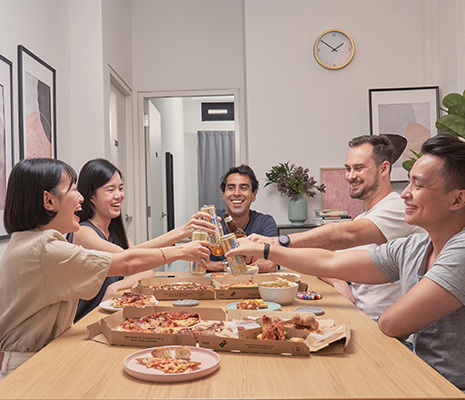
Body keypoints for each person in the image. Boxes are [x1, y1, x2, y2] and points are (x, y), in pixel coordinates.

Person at [227, 134, 465, 391]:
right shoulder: (414, 247)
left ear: (457, 200)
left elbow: (391, 323)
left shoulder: (460, 250)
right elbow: (330, 262)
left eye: (417, 186)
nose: (405, 193)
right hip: (415, 366)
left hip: (445, 387)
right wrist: (265, 249)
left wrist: (273, 245)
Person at [0, 158, 210, 380]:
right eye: (73, 189)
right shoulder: (46, 249)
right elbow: (127, 262)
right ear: (48, 201)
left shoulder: (35, 242)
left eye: (120, 188)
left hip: (47, 353)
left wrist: (183, 237)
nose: (80, 197)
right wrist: (182, 250)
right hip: (30, 363)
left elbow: (133, 257)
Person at [250, 135, 424, 321]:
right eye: (348, 169)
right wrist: (338, 281)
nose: (350, 176)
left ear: (384, 168)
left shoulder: (398, 208)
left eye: (359, 168)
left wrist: (276, 242)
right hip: (361, 317)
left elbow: (349, 234)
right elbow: (326, 259)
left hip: (391, 330)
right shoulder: (364, 217)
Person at [68, 159, 218, 322]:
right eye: (110, 190)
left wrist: (116, 286)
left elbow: (145, 269)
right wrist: (181, 233)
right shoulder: (83, 232)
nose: (118, 195)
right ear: (91, 196)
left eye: (120, 188)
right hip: (85, 321)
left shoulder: (115, 232)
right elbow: (130, 259)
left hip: (108, 317)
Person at [206, 164, 278, 272]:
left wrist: (220, 266)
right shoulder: (209, 221)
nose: (236, 193)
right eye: (231, 188)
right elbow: (200, 264)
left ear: (254, 194)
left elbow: (269, 265)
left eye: (243, 188)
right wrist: (246, 265)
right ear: (223, 194)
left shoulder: (265, 222)